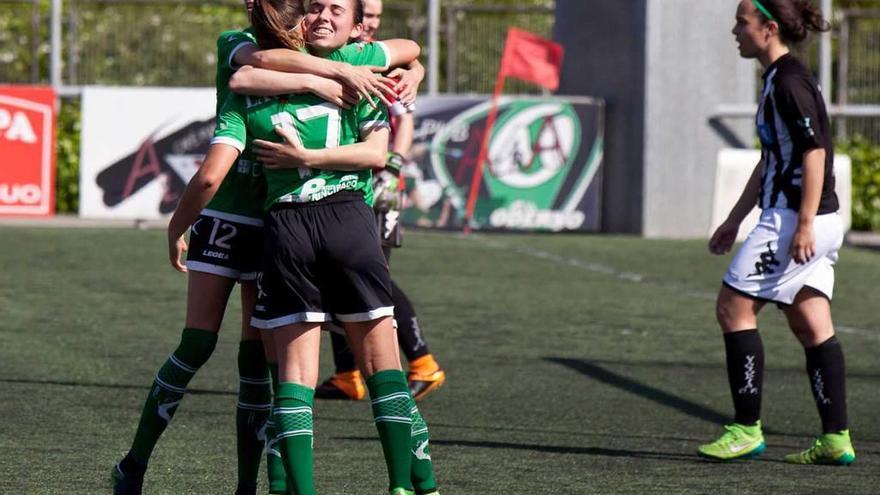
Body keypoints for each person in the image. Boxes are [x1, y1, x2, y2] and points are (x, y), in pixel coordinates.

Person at [110, 1, 403, 494]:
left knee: (247, 358)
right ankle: (232, 480)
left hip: (258, 219)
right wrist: (324, 77)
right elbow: (252, 71)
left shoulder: (311, 51)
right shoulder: (244, 49)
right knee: (259, 360)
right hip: (272, 218)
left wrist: (409, 70)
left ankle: (147, 469)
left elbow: (406, 50)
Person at [698, 0, 855, 466]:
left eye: (741, 23)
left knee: (733, 307)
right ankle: (836, 439)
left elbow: (814, 155)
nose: (735, 31)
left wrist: (803, 223)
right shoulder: (777, 79)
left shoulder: (788, 82)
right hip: (807, 219)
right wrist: (733, 218)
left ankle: (745, 428)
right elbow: (771, 159)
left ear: (768, 28)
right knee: (811, 324)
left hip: (795, 219)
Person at [310, 0, 447, 403]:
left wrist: (391, 170)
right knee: (335, 273)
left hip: (375, 183)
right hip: (338, 186)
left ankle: (423, 363)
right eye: (365, 13)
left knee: (371, 276)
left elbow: (403, 119)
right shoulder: (327, 51)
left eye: (373, 17)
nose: (369, 22)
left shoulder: (378, 57)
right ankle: (347, 374)